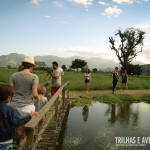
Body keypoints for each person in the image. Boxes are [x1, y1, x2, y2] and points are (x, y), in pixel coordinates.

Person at [9, 56, 39, 144]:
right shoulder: (34, 77)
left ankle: (19, 145)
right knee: (27, 129)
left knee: (18, 130)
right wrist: (38, 98)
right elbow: (34, 94)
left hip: (13, 105)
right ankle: (25, 146)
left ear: (23, 65)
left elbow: (10, 91)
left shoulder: (13, 75)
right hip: (27, 106)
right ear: (32, 66)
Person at [0, 84, 37, 150]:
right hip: (5, 140)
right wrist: (29, 115)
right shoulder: (10, 110)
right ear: (9, 98)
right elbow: (17, 122)